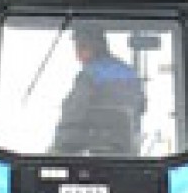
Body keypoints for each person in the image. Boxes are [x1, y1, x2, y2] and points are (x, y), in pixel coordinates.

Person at [51, 22, 146, 155]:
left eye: (80, 47)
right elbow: (140, 108)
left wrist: (57, 148)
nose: (77, 53)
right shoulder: (130, 72)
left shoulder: (90, 74)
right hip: (126, 150)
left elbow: (73, 114)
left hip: (97, 149)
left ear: (92, 47)